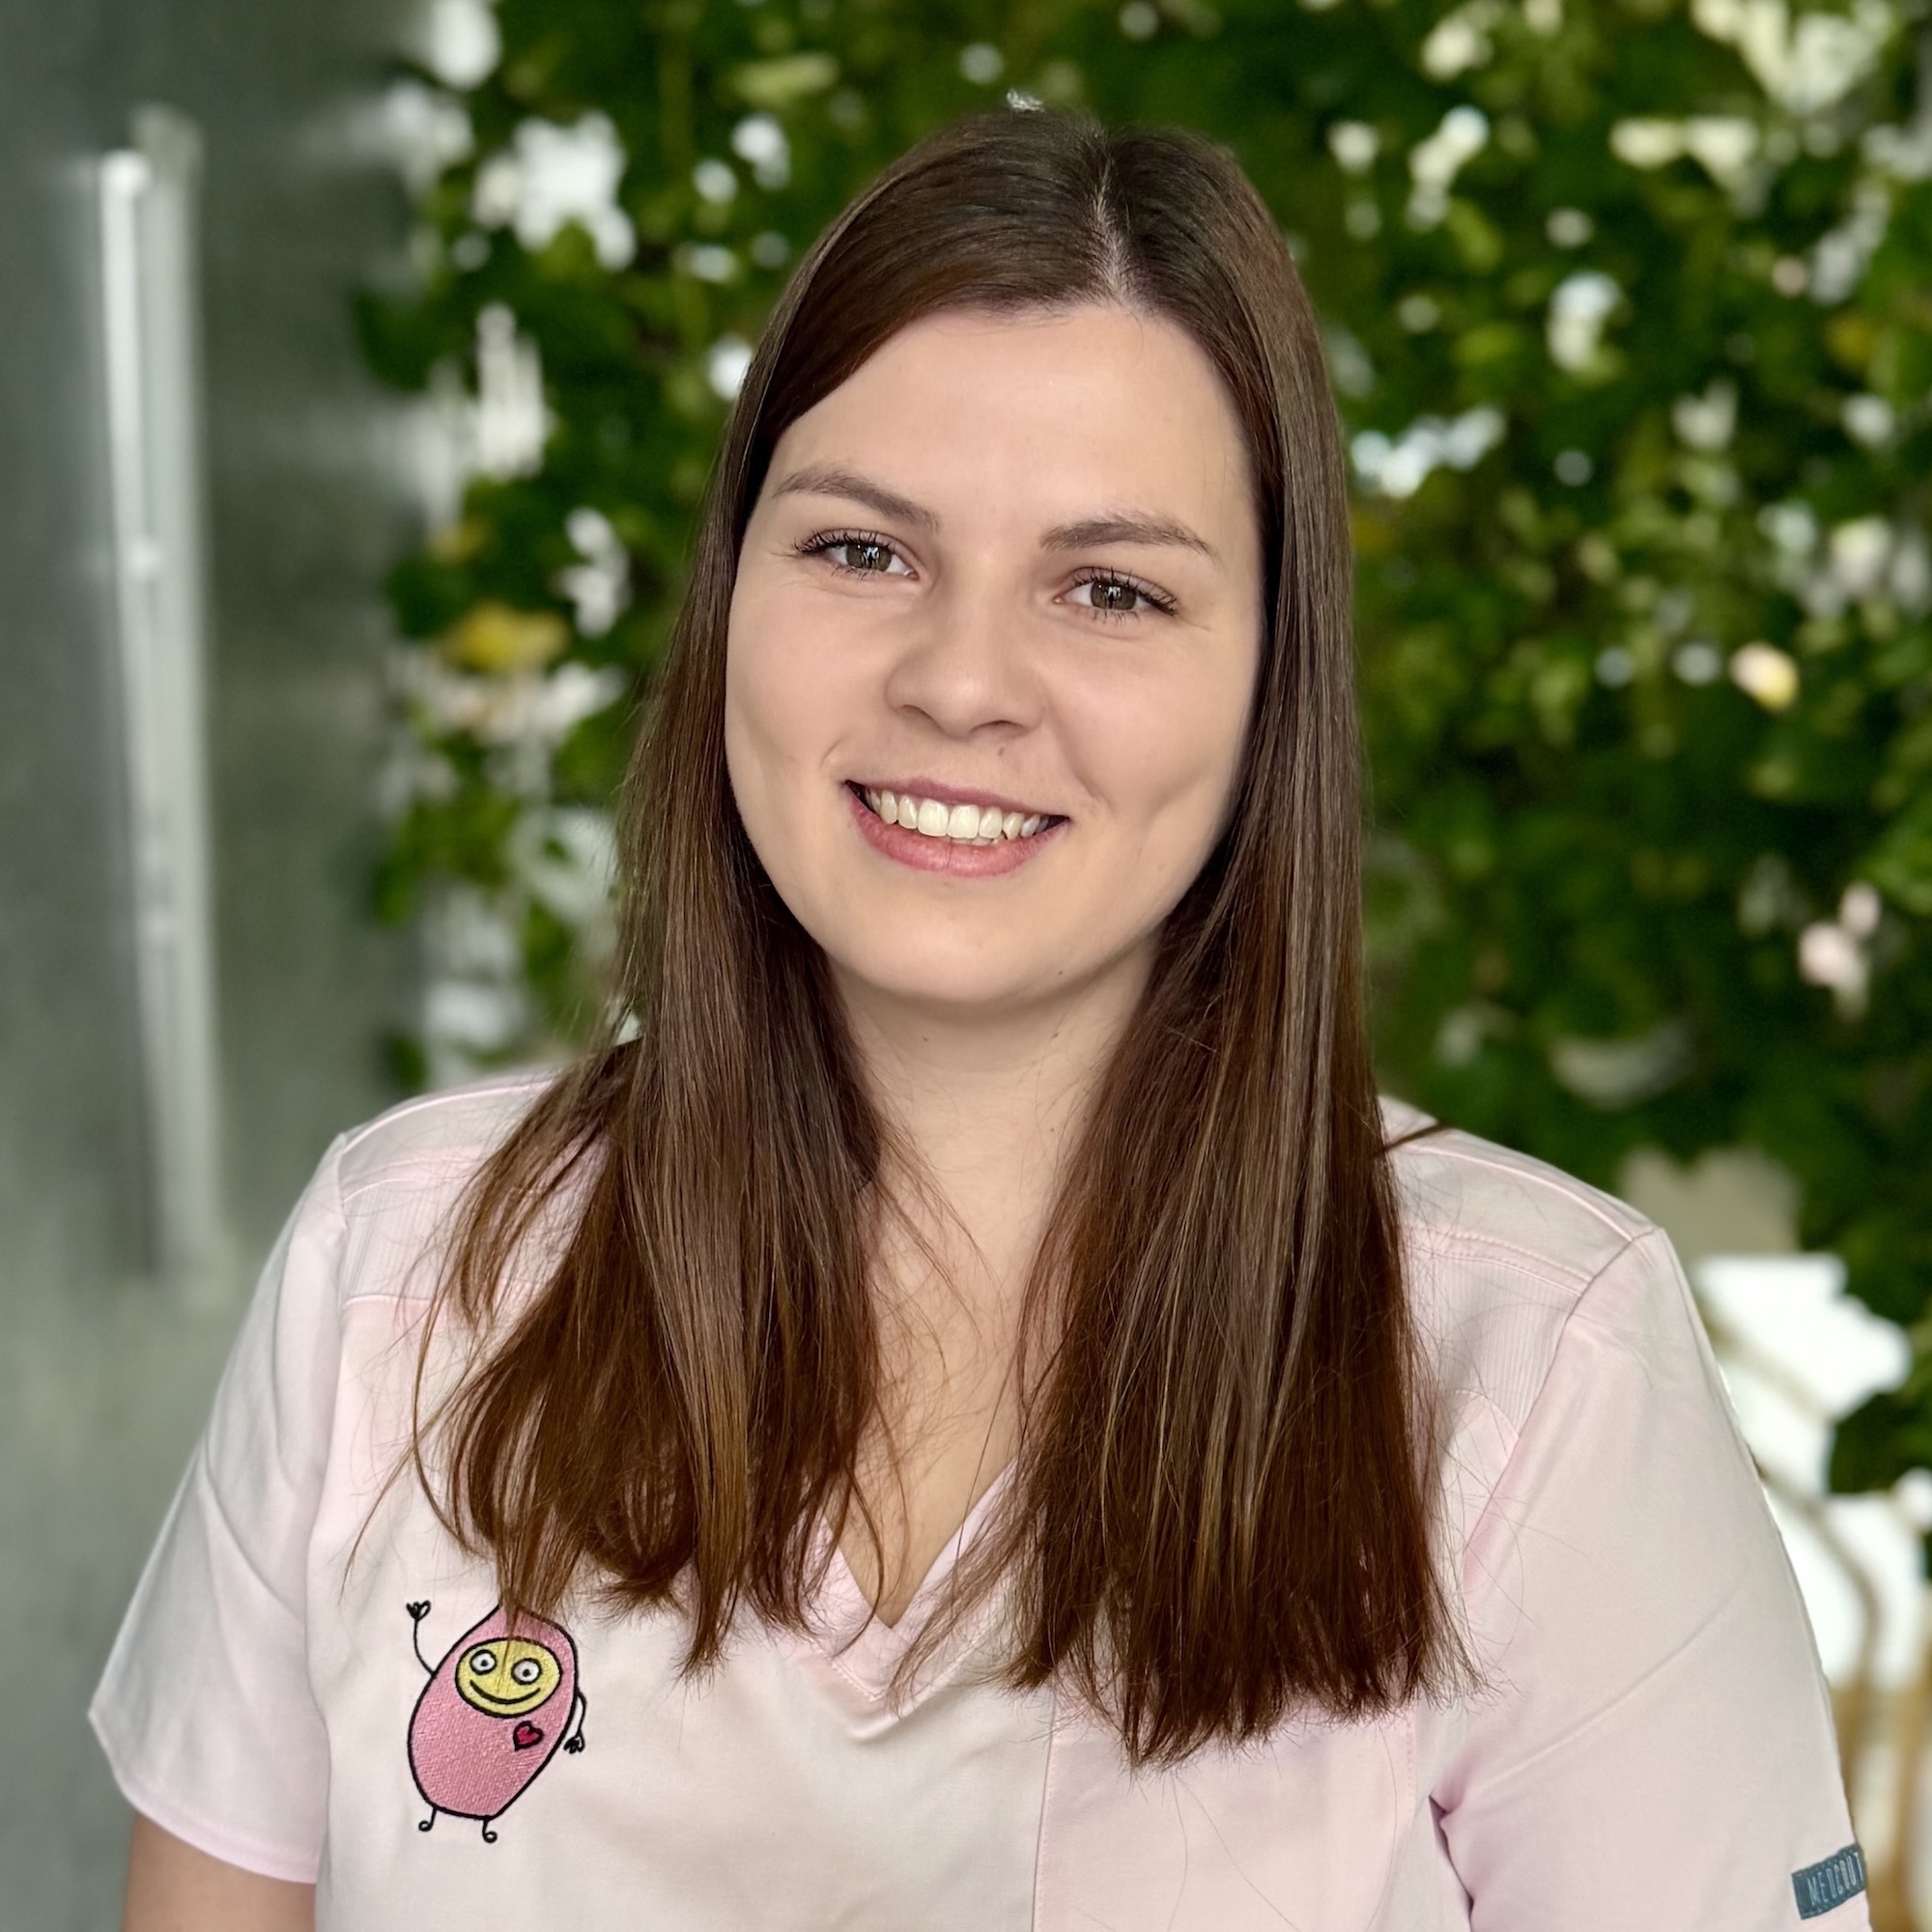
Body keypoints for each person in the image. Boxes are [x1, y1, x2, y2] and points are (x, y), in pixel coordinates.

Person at [95, 107, 1867, 1931]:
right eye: (863, 551)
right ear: (727, 596)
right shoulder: (402, 1274)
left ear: (1272, 685)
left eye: (1111, 589)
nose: (959, 684)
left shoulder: (1538, 1377)